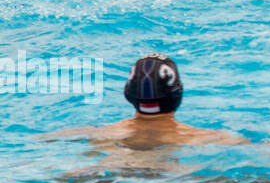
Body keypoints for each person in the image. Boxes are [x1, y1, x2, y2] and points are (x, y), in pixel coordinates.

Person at [44, 53, 245, 146]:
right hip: (174, 181)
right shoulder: (212, 139)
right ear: (177, 93)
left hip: (111, 176)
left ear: (129, 94)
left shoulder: (96, 134)